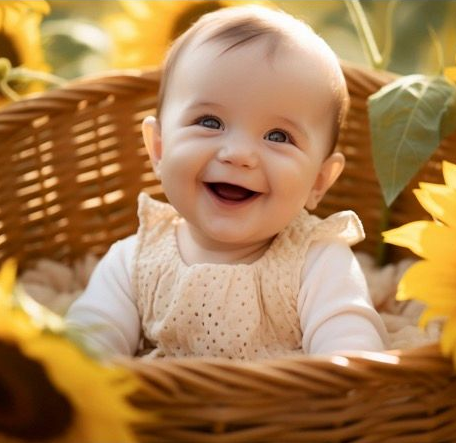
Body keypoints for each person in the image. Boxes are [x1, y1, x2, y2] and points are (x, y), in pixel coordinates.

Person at [66, 6, 388, 359]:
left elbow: (352, 349)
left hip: (289, 412)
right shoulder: (135, 261)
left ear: (319, 181)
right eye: (210, 122)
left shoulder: (318, 261)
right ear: (158, 149)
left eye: (278, 136)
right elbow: (86, 346)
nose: (238, 154)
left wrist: (345, 361)